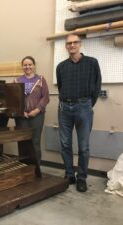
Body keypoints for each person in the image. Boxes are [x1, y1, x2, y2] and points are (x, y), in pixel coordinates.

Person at [56, 34, 101, 192]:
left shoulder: (92, 63)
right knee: (65, 144)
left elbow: (97, 86)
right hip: (64, 109)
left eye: (75, 42)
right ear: (66, 46)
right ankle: (70, 174)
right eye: (69, 43)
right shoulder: (61, 66)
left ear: (80, 44)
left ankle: (82, 177)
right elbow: (61, 87)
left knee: (83, 147)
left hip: (83, 107)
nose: (72, 45)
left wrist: (87, 104)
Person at [14, 56, 50, 164]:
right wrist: (21, 111)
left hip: (37, 116)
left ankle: (36, 167)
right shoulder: (17, 81)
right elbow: (14, 99)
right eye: (25, 65)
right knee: (23, 141)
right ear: (22, 66)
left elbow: (45, 97)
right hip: (21, 117)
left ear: (34, 66)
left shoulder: (40, 79)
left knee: (35, 142)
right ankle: (24, 167)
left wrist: (38, 110)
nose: (27, 67)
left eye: (30, 64)